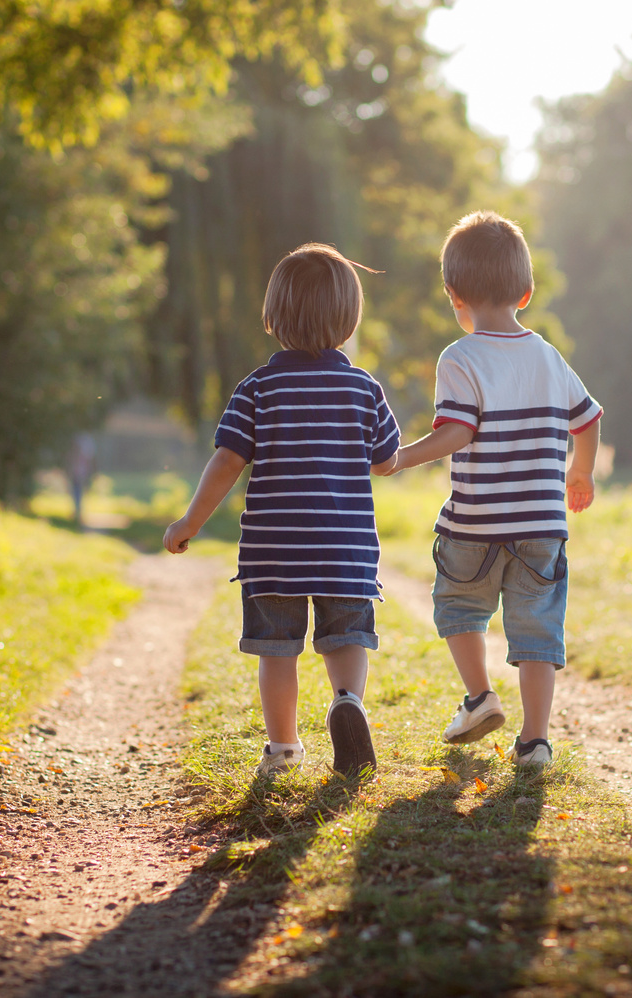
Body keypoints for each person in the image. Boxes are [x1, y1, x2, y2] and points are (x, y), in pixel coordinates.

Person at [163, 244, 400, 778]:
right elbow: (385, 461)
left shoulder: (258, 388)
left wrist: (190, 522)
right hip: (345, 551)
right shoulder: (364, 388)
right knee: (346, 639)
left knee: (278, 652)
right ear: (349, 319)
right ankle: (347, 701)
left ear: (273, 316)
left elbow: (227, 461)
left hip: (275, 552)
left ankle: (285, 749)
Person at [379, 210, 601, 767]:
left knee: (458, 604)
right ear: (525, 292)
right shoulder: (549, 356)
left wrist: (402, 458)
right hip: (541, 525)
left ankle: (479, 697)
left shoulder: (460, 357)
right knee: (537, 626)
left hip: (477, 520)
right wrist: (580, 471)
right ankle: (536, 741)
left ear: (454, 294)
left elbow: (457, 431)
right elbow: (589, 418)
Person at [67, 432, 97, 529]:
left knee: (79, 493)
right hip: (76, 476)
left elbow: (88, 465)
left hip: (81, 476)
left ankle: (78, 512)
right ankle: (77, 511)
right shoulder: (76, 456)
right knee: (75, 493)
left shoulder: (84, 457)